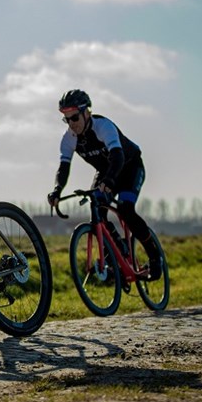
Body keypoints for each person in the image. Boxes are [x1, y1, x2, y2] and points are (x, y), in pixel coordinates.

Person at [47, 89, 163, 280]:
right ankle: (114, 257)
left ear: (87, 112)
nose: (71, 124)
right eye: (66, 120)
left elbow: (118, 156)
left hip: (129, 166)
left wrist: (109, 181)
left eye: (74, 117)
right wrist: (57, 190)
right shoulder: (69, 139)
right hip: (105, 171)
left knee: (126, 209)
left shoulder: (103, 126)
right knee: (97, 210)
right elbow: (63, 167)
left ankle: (154, 256)